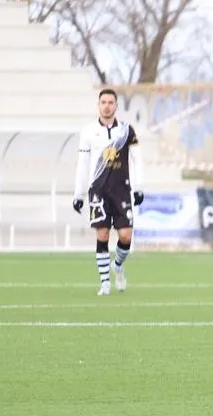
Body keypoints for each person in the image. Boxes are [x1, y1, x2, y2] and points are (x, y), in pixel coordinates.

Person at [73, 89, 145, 296]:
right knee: (102, 234)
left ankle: (119, 266)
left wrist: (139, 187)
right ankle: (105, 283)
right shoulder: (87, 132)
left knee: (125, 235)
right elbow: (83, 163)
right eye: (103, 102)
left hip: (122, 189)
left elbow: (137, 159)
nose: (107, 106)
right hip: (98, 191)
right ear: (98, 105)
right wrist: (78, 195)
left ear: (116, 106)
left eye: (110, 102)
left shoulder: (127, 131)